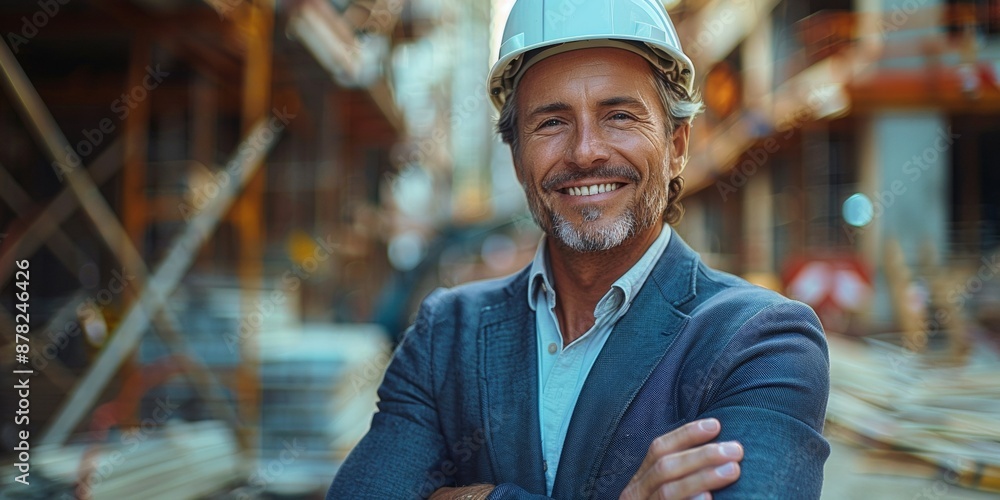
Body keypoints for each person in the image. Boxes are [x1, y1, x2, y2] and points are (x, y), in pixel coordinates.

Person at [327, 0, 830, 498]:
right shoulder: (446, 333)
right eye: (551, 122)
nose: (586, 150)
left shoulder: (762, 341)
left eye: (619, 116)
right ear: (519, 158)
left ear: (677, 146)